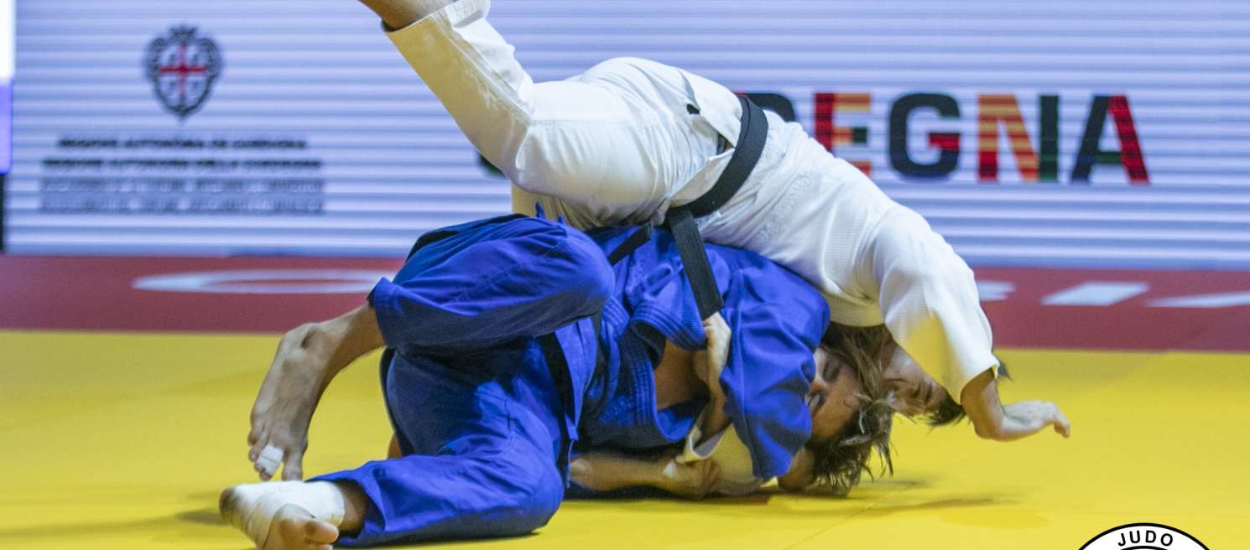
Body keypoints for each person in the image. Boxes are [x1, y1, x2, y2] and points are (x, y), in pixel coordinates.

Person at [347, 0, 1072, 443]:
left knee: (527, 312)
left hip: (638, 213)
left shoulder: (825, 330)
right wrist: (989, 409)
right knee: (524, 135)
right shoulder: (877, 261)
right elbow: (929, 270)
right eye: (929, 381)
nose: (905, 395)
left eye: (916, 408)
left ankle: (397, 448)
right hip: (691, 148)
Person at [224, 214, 892, 549]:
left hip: (481, 400)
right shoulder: (741, 286)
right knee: (583, 270)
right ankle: (328, 343)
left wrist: (664, 470)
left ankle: (311, 507)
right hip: (473, 300)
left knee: (535, 489)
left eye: (811, 402)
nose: (805, 377)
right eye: (826, 368)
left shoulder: (690, 438)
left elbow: (573, 467)